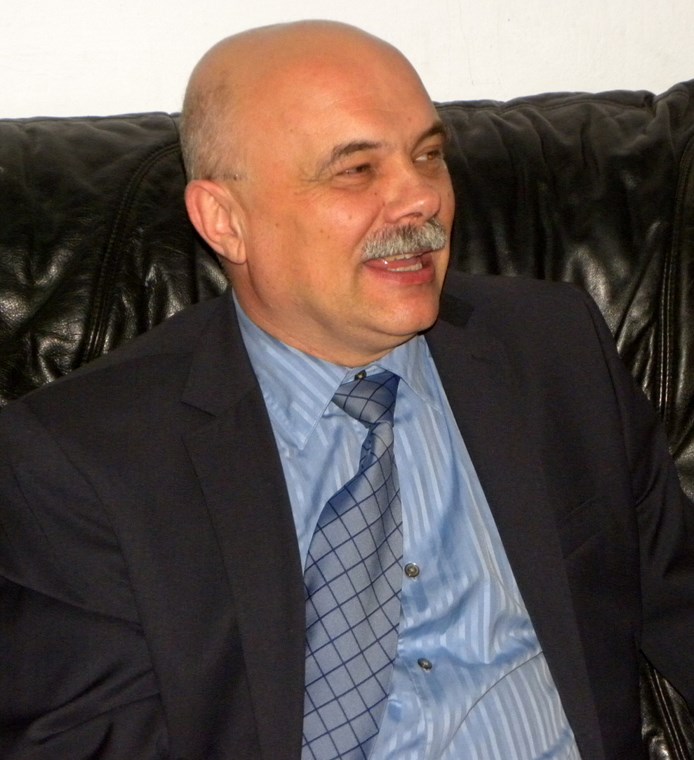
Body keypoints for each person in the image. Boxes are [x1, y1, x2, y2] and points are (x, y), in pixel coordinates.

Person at [0, 19, 692, 760]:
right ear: (224, 221)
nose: (419, 199)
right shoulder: (79, 463)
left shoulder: (553, 350)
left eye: (428, 156)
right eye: (357, 170)